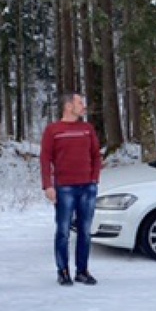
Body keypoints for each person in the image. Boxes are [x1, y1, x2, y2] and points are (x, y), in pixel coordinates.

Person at [40, 92, 102, 286]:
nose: (83, 106)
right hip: (64, 187)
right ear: (68, 106)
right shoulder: (53, 130)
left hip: (87, 187)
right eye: (79, 102)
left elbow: (96, 155)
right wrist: (48, 185)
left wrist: (94, 179)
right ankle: (63, 271)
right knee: (63, 231)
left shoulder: (87, 129)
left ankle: (82, 270)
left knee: (84, 230)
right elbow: (45, 158)